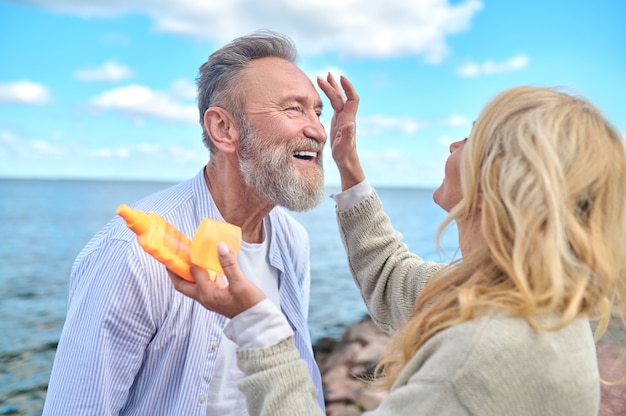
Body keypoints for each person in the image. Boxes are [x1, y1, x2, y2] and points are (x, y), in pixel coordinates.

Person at [169, 75, 626, 415]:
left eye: (471, 136)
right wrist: (348, 165)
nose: (453, 142)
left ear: (500, 183)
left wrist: (258, 325)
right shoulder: (524, 296)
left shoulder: (482, 355)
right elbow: (392, 279)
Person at [42, 30, 329, 415]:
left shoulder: (292, 239)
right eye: (293, 109)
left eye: (317, 111)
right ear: (224, 129)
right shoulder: (134, 253)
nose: (318, 131)